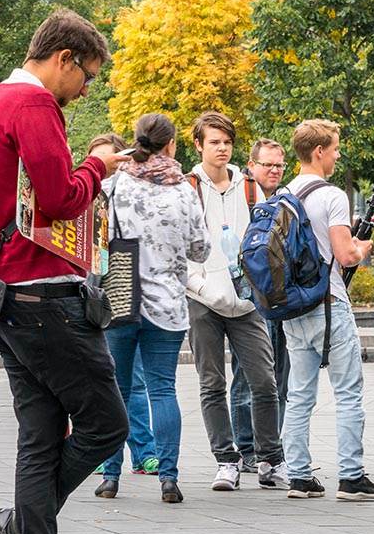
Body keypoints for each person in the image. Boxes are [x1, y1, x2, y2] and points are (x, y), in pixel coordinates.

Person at [0, 10, 129, 534]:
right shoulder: (34, 106)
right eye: (86, 75)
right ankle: (19, 531)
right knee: (105, 425)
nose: (85, 90)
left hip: (1, 295)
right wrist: (98, 166)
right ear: (64, 58)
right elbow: (62, 196)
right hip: (42, 295)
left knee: (40, 437)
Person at [94, 114, 209, 504]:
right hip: (168, 303)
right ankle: (169, 479)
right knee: (162, 388)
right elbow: (200, 249)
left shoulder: (114, 186)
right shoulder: (184, 192)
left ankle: (110, 476)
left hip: (122, 294)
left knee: (117, 389)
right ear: (171, 145)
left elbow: (98, 240)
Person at [279, 120, 374, 501]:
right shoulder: (332, 196)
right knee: (349, 392)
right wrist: (362, 248)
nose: (338, 155)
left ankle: (299, 474)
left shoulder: (283, 193)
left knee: (299, 393)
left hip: (293, 306)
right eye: (335, 148)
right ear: (319, 151)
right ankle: (351, 476)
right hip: (329, 303)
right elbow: (344, 253)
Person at [186, 111, 288, 492]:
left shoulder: (250, 188)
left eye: (227, 142)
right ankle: (226, 460)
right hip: (203, 299)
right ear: (199, 145)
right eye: (214, 142)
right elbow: (175, 250)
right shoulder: (187, 189)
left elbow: (265, 243)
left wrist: (261, 288)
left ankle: (269, 458)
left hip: (247, 302)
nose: (222, 148)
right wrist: (200, 287)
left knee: (264, 381)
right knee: (212, 383)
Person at [86, 133, 160, 482]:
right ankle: (106, 455)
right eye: (97, 162)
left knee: (135, 379)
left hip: (127, 294)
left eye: (109, 161)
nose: (104, 170)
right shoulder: (83, 198)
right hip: (88, 295)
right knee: (100, 380)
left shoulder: (130, 196)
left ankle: (144, 451)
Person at [230, 137, 290, 470]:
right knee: (246, 375)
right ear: (251, 165)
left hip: (280, 298)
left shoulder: (285, 200)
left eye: (278, 165)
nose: (273, 171)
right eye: (266, 164)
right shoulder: (241, 199)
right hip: (250, 297)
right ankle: (245, 447)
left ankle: (272, 446)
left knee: (278, 374)